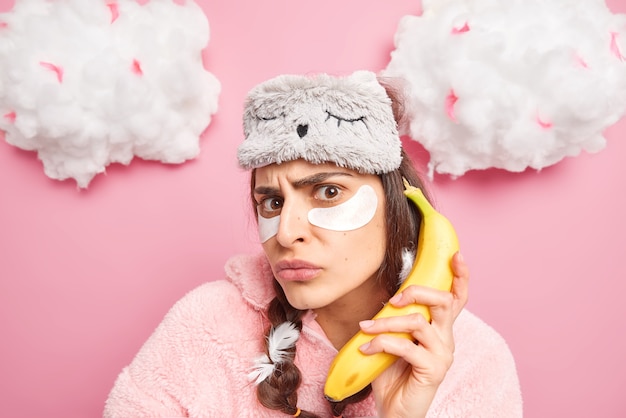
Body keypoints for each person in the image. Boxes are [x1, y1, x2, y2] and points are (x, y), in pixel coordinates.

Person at [104, 71, 523, 417]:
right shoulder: (206, 327)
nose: (286, 232)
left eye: (327, 193)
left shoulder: (476, 363)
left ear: (395, 205)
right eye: (271, 201)